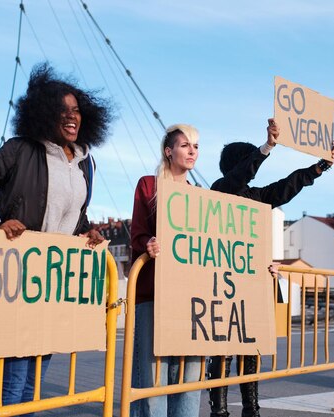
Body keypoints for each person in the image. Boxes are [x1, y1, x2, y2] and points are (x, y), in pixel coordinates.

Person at [0, 62, 113, 414]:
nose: (72, 117)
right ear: (43, 114)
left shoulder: (86, 161)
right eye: (62, 110)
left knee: (40, 366)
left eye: (76, 110)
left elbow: (75, 212)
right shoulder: (19, 148)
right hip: (20, 269)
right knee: (18, 367)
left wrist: (88, 232)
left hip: (56, 278)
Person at [207, 118, 334, 417]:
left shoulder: (255, 197)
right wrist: (266, 148)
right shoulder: (219, 189)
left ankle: (251, 409)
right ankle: (219, 411)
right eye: (249, 160)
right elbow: (239, 177)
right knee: (222, 349)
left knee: (249, 347)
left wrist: (320, 166)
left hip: (253, 282)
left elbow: (286, 187)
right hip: (224, 283)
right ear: (241, 165)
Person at [130, 124, 203, 417]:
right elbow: (137, 232)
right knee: (153, 377)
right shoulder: (149, 185)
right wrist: (148, 242)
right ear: (168, 151)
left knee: (189, 378)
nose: (192, 151)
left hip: (192, 299)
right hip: (154, 292)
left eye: (196, 146)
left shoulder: (201, 196)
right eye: (185, 145)